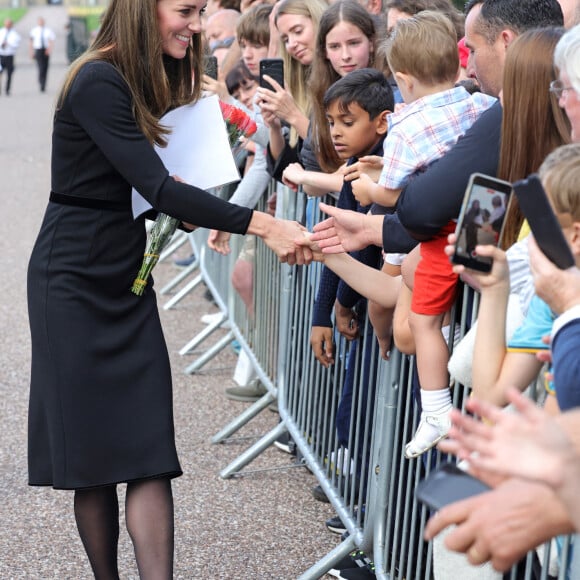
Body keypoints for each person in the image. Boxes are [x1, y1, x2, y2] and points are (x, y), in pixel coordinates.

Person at [26, 0, 310, 576]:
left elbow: (155, 190)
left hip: (126, 280)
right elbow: (159, 185)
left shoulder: (141, 79)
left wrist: (176, 202)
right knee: (96, 459)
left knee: (148, 452)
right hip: (73, 283)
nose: (198, 24)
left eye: (202, 12)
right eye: (185, 10)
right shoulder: (98, 79)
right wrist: (267, 224)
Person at [309, 0, 564, 259]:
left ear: (506, 42)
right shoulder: (505, 110)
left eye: (472, 50)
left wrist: (389, 196)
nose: (470, 69)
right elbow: (473, 237)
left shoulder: (510, 112)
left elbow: (424, 209)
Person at [348, 11, 496, 459]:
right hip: (484, 218)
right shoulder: (482, 105)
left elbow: (394, 196)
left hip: (442, 235)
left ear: (403, 80)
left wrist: (367, 188)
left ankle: (435, 408)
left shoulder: (404, 128)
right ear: (457, 65)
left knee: (422, 324)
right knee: (422, 286)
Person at [29, 17, 55, 93]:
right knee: (40, 67)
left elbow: (51, 41)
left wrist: (49, 49)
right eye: (40, 21)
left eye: (42, 21)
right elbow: (31, 42)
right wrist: (31, 52)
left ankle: (44, 83)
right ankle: (41, 82)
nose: (41, 23)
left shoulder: (48, 31)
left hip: (45, 50)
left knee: (45, 67)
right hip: (38, 50)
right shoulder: (34, 31)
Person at [0, 19, 20, 96]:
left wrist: (8, 43)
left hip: (9, 55)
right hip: (1, 55)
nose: (7, 25)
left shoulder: (14, 34)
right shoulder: (1, 32)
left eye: (9, 24)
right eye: (6, 24)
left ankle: (7, 89)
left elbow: (16, 45)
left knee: (9, 73)